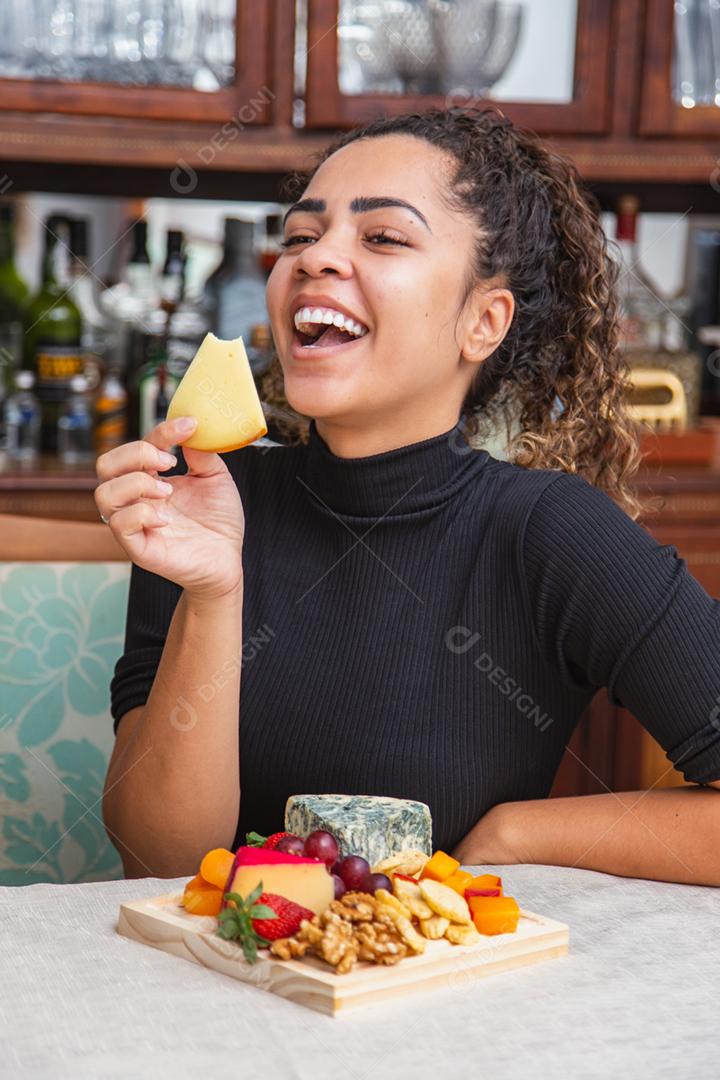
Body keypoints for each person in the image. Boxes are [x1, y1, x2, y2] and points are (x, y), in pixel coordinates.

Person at [96, 108, 720, 885]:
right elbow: (160, 862)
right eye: (298, 237)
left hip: (443, 999)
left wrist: (520, 835)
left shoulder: (551, 533)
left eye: (383, 237)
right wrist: (213, 590)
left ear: (483, 322)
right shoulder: (200, 503)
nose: (316, 258)